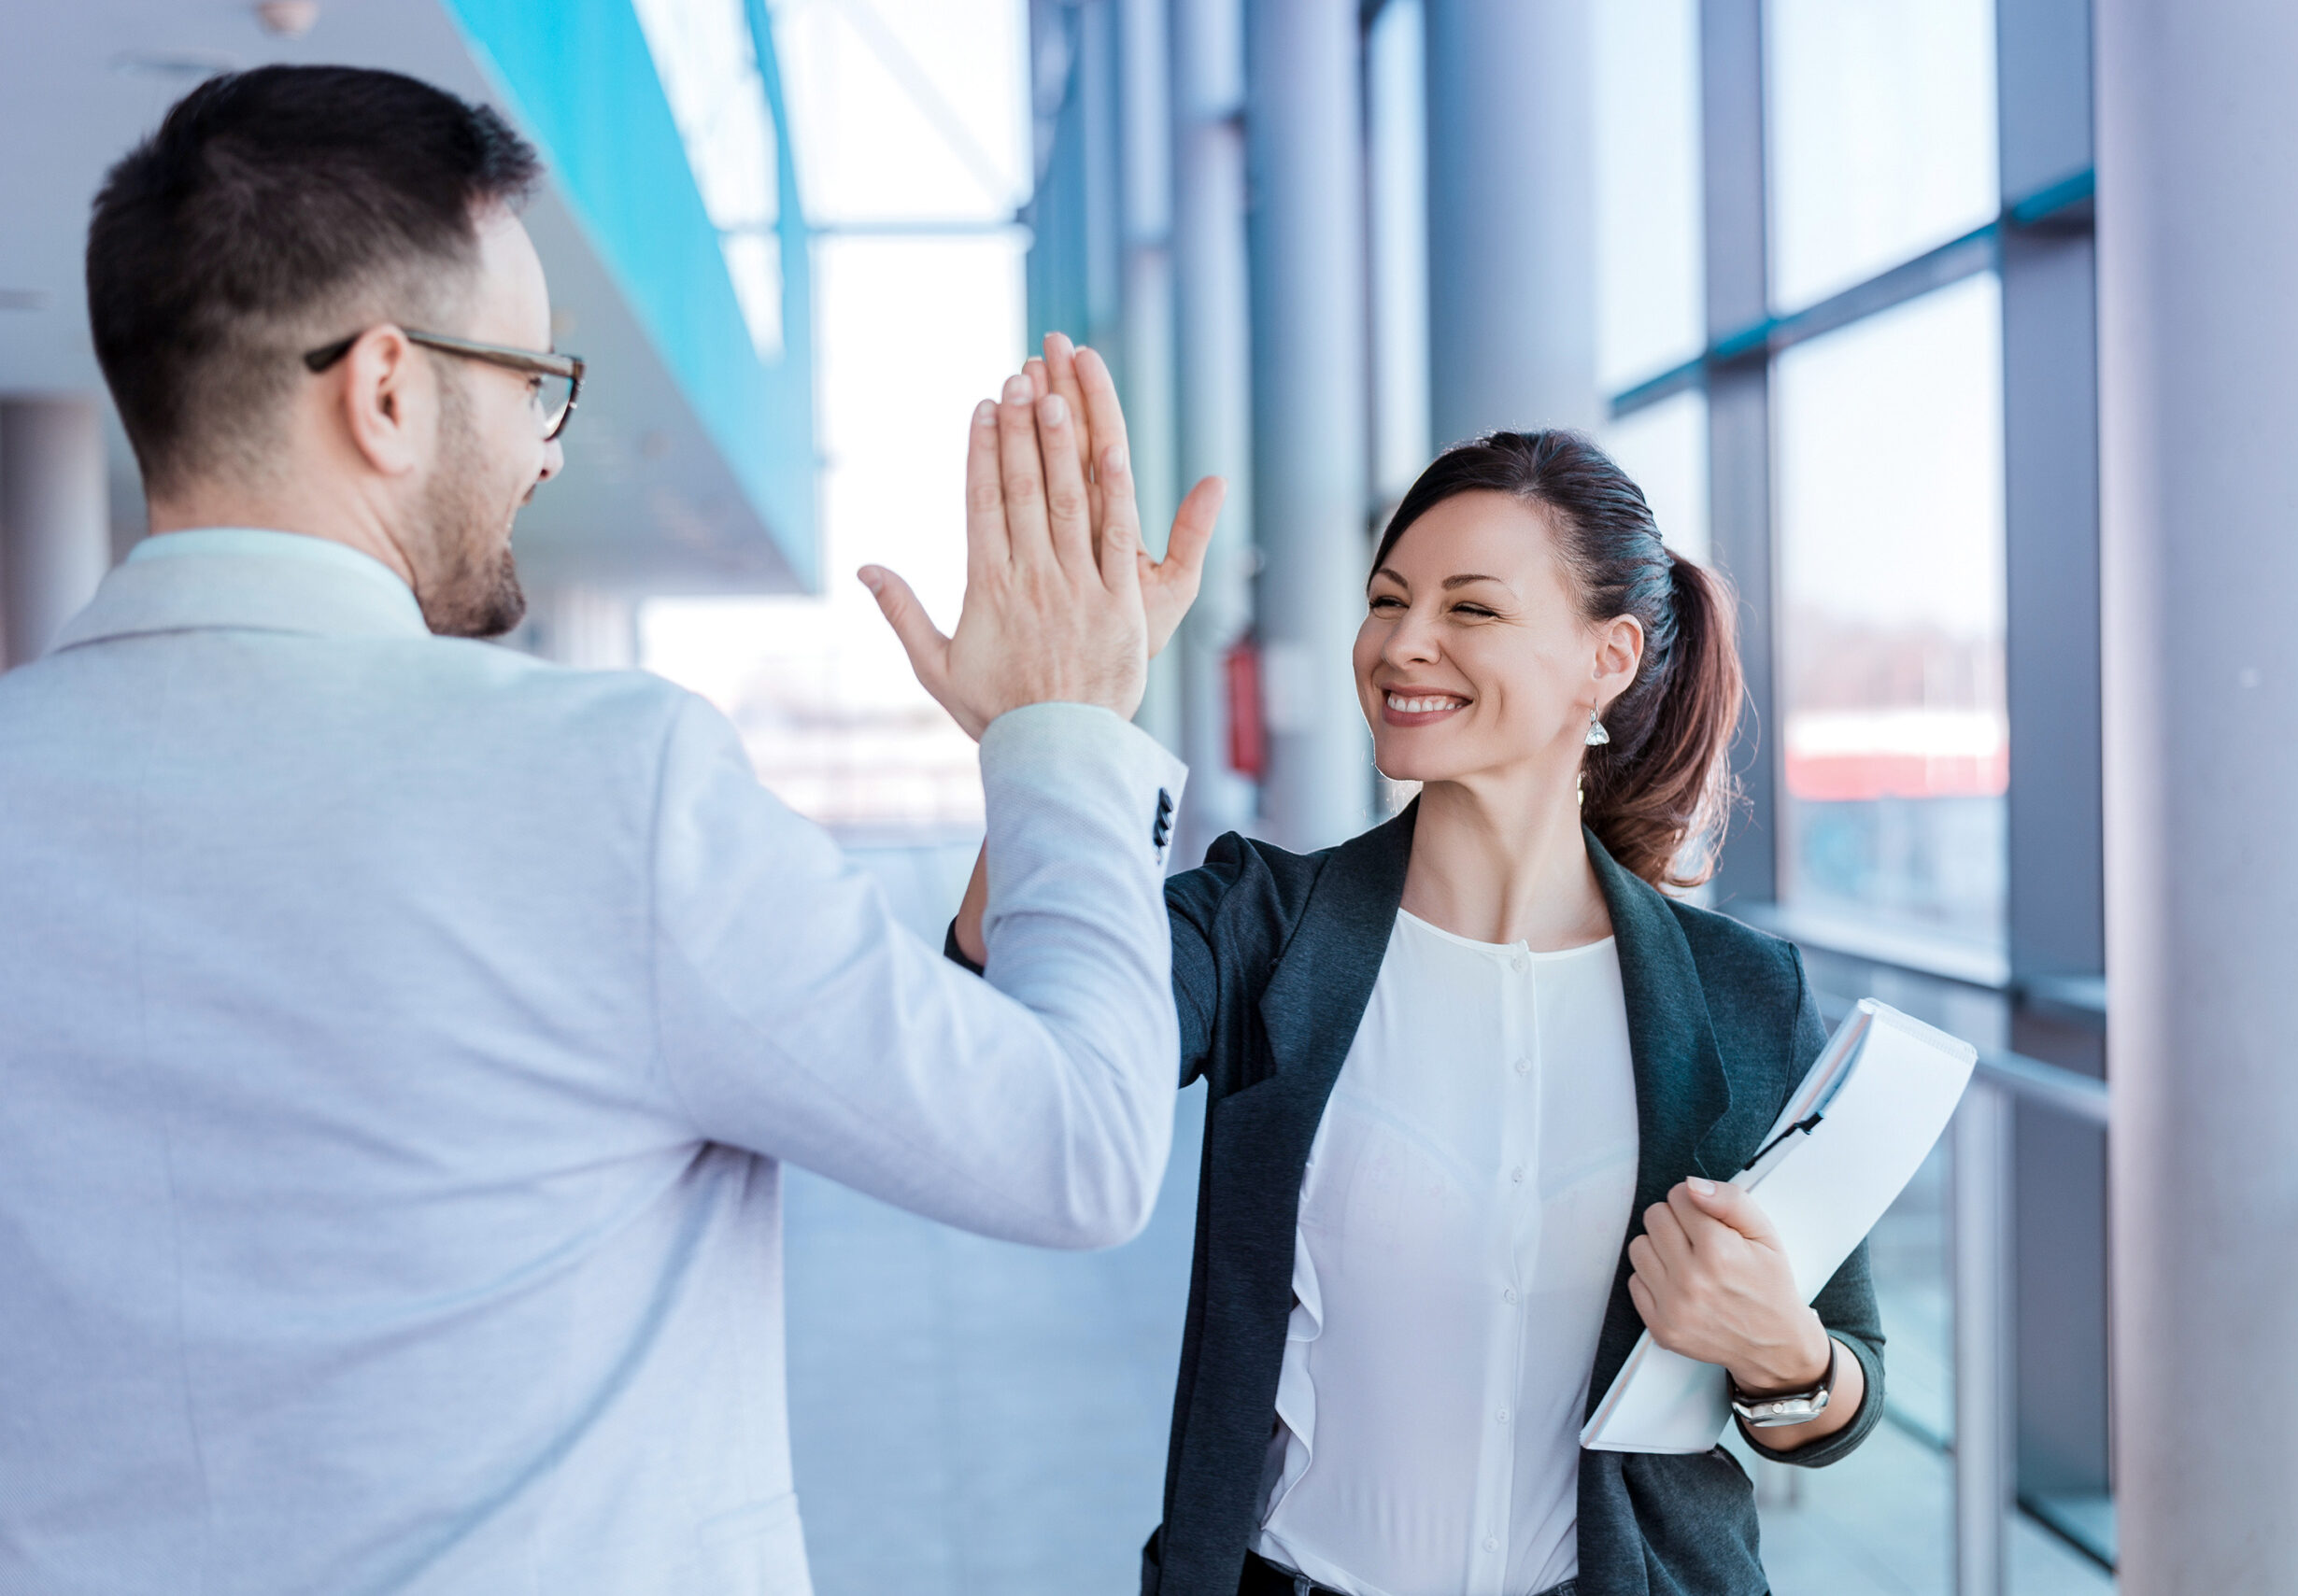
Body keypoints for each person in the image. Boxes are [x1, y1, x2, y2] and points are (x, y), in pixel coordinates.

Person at [0, 65, 1216, 1596]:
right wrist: (1067, 729)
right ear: (384, 390)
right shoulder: (600, 786)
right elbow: (1078, 1149)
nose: (551, 447)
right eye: (530, 380)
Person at [933, 393, 1886, 1596]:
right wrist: (1046, 735)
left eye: (1469, 608)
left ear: (1610, 658)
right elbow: (1004, 1063)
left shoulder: (1741, 994)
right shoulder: (1258, 927)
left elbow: (1839, 1391)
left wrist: (1784, 1355)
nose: (1401, 644)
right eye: (1386, 601)